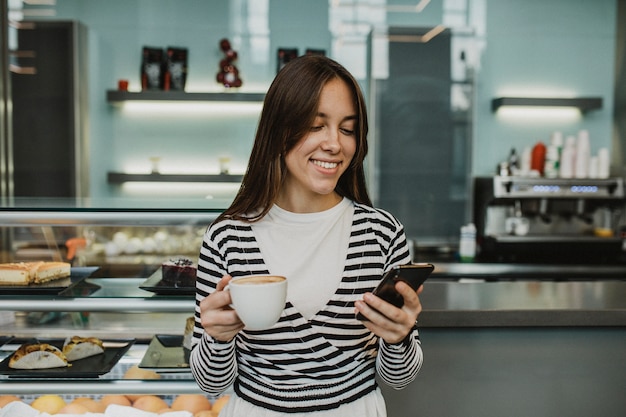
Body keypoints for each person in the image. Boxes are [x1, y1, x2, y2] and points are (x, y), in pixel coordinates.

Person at [190, 55, 424, 416]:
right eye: (316, 126)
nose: (334, 144)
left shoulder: (381, 232)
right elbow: (210, 382)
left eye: (347, 129)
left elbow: (400, 378)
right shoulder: (227, 236)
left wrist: (399, 338)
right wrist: (217, 338)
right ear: (279, 130)